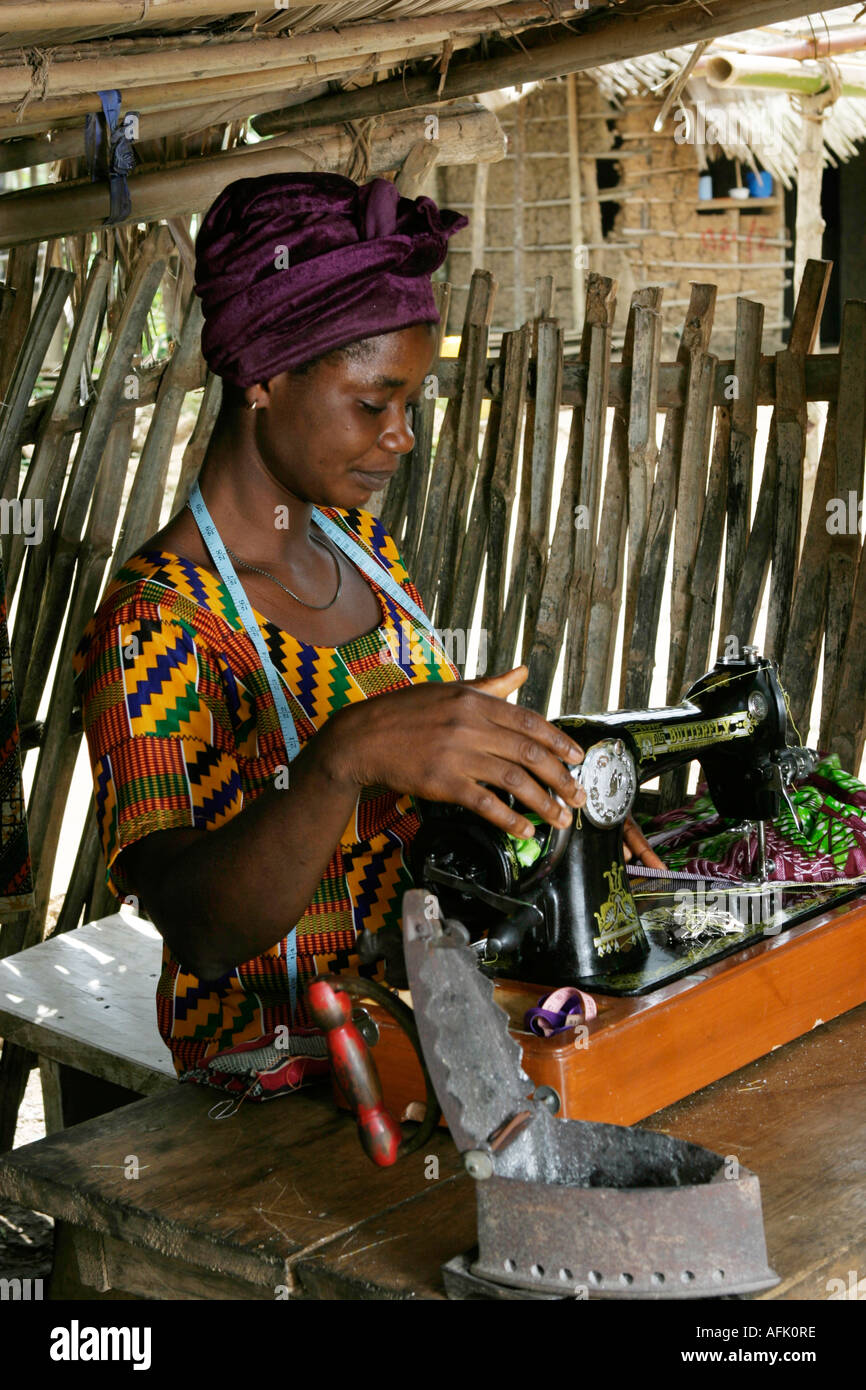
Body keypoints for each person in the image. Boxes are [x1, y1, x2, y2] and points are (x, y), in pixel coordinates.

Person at [72, 172, 588, 1077]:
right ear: (264, 378)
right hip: (281, 1085)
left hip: (430, 1046)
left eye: (411, 405)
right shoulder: (155, 626)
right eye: (372, 403)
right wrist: (341, 757)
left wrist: (537, 789)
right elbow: (198, 931)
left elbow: (415, 804)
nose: (404, 437)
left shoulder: (361, 552)